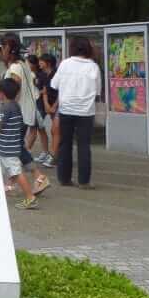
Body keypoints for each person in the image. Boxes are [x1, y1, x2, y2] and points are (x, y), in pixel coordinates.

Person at [0, 34, 51, 195]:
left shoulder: (15, 67)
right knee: (19, 148)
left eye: (2, 47)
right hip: (24, 113)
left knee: (13, 149)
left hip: (17, 114)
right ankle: (33, 179)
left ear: (8, 48)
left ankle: (32, 178)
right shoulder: (22, 64)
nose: (1, 51)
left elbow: (13, 90)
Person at [51, 36, 102, 187]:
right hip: (86, 112)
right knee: (84, 146)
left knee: (65, 143)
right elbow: (97, 91)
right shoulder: (93, 67)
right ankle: (84, 181)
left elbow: (54, 84)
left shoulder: (65, 64)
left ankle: (64, 178)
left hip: (66, 109)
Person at [0, 78, 39, 209]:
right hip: (12, 146)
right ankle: (5, 188)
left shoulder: (5, 108)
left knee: (16, 173)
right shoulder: (15, 105)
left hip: (7, 148)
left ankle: (30, 198)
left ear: (1, 93)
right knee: (8, 170)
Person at [27, 53, 52, 165]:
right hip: (33, 104)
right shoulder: (29, 74)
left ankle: (26, 152)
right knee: (40, 129)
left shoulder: (41, 75)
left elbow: (45, 90)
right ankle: (45, 152)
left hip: (39, 105)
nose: (27, 64)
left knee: (34, 129)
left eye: (29, 62)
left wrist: (36, 90)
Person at [38, 53, 60, 167]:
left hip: (59, 104)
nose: (39, 63)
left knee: (55, 130)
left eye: (41, 61)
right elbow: (44, 91)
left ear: (48, 63)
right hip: (48, 105)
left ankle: (53, 155)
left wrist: (54, 106)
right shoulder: (41, 75)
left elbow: (61, 92)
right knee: (55, 130)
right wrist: (47, 105)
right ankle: (54, 154)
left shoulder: (57, 74)